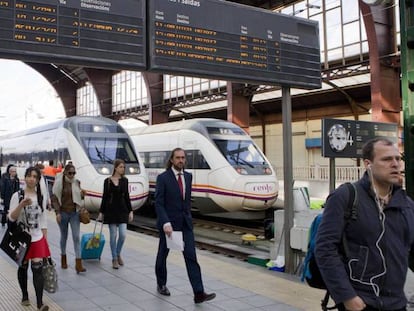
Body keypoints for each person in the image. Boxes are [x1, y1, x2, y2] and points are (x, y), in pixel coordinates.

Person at [315, 137, 414, 311]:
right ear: (368, 164)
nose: (396, 164)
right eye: (386, 159)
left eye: (398, 159)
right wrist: (347, 297)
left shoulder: (407, 204)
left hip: (397, 302)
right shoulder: (346, 197)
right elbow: (325, 248)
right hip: (360, 301)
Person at [154, 148, 216, 304]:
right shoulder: (163, 178)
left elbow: (186, 201)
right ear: (172, 160)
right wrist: (165, 223)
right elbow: (159, 203)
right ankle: (161, 283)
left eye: (183, 158)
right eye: (178, 158)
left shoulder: (188, 176)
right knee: (162, 256)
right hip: (169, 226)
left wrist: (189, 216)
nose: (181, 160)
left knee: (191, 257)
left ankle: (199, 293)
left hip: (185, 224)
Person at [8, 166, 50, 311]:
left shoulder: (41, 197)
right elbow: (11, 218)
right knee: (23, 267)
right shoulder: (17, 196)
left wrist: (45, 239)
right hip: (22, 239)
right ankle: (25, 295)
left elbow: (44, 219)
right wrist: (21, 204)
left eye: (35, 177)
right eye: (29, 176)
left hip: (37, 238)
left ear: (38, 180)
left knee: (38, 269)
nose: (32, 179)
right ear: (24, 178)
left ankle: (39, 303)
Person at [98, 159, 133, 269]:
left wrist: (130, 210)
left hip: (122, 210)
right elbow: (105, 197)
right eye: (121, 167)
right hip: (111, 211)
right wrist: (101, 212)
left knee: (123, 235)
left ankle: (118, 253)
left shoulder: (125, 180)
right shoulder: (107, 181)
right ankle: (114, 258)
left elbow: (127, 196)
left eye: (124, 167)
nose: (123, 169)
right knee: (113, 236)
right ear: (115, 168)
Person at [51, 163, 86, 273]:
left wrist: (82, 195)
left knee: (76, 237)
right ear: (65, 172)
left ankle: (78, 264)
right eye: (70, 173)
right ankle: (63, 258)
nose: (72, 175)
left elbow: (79, 198)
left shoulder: (77, 182)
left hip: (74, 213)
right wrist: (57, 213)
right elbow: (55, 198)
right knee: (64, 236)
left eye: (73, 173)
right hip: (63, 213)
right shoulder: (59, 183)